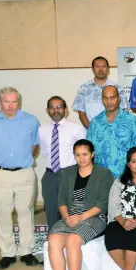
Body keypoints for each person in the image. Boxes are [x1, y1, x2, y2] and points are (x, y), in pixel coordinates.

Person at [0, 87, 42, 270]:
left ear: (19, 102)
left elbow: (34, 147)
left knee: (25, 212)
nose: (10, 106)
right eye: (6, 101)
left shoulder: (31, 121)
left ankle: (26, 251)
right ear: (0, 102)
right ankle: (7, 254)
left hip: (24, 173)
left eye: (14, 101)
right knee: (2, 214)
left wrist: (19, 161)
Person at [46, 139, 113, 270]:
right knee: (53, 240)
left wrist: (81, 217)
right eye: (77, 155)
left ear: (92, 154)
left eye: (85, 154)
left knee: (72, 240)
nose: (81, 158)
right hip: (69, 216)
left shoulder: (103, 173)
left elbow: (103, 203)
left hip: (93, 217)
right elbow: (60, 200)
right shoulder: (67, 173)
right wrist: (67, 216)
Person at [39, 96, 86, 229]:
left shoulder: (76, 128)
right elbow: (44, 151)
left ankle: (72, 237)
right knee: (51, 209)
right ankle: (53, 237)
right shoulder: (42, 130)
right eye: (52, 107)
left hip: (70, 174)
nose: (56, 110)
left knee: (72, 209)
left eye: (59, 106)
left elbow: (84, 153)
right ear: (47, 110)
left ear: (65, 109)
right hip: (50, 175)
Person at [87, 86, 136, 178]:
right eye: (105, 98)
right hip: (100, 177)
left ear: (119, 98)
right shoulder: (95, 122)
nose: (109, 102)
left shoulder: (132, 121)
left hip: (126, 176)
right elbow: (89, 151)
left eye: (112, 97)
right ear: (102, 99)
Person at [72, 56, 129, 128]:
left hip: (113, 132)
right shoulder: (84, 88)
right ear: (93, 69)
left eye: (104, 66)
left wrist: (113, 129)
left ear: (108, 69)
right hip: (91, 132)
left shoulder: (117, 88)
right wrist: (92, 130)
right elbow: (81, 113)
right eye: (97, 66)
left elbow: (124, 110)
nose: (101, 69)